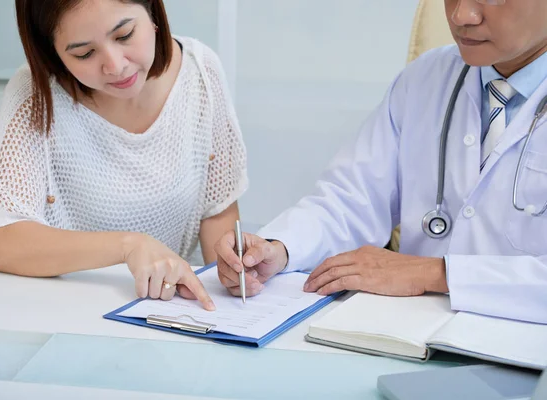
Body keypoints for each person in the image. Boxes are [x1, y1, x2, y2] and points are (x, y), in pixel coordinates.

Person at [215, 0, 547, 324]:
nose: (462, 15)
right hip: (409, 334)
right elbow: (349, 201)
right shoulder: (426, 79)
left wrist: (436, 273)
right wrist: (278, 248)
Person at [0, 0, 249, 311]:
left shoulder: (200, 73)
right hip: (58, 312)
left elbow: (216, 210)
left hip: (166, 312)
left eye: (124, 35)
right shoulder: (35, 94)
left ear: (151, 13)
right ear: (53, 52)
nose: (115, 65)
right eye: (84, 54)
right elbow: (2, 243)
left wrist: (233, 273)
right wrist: (129, 246)